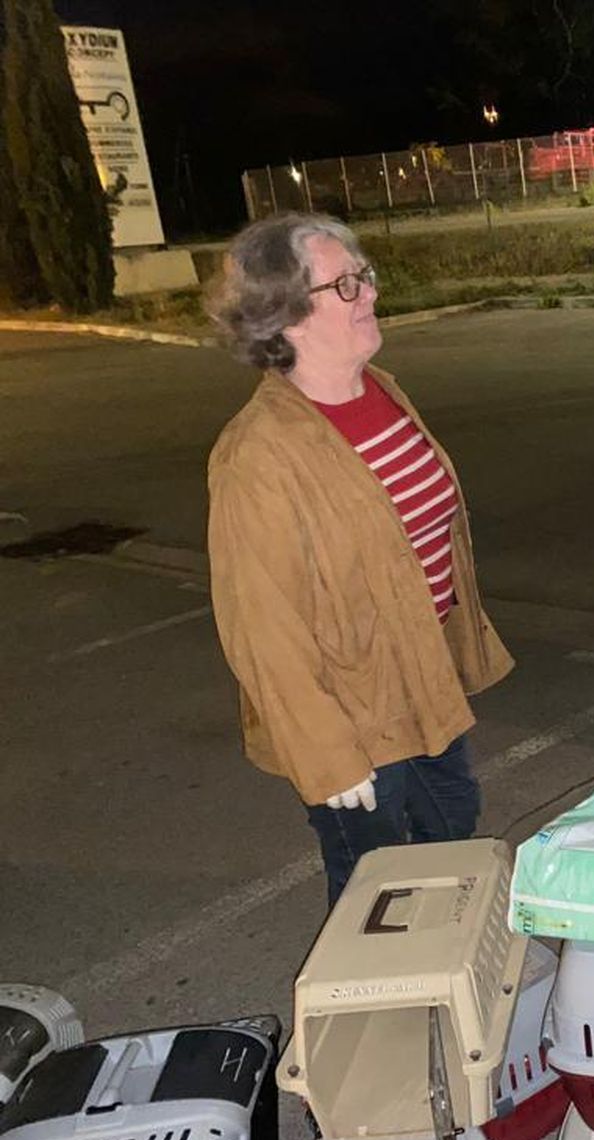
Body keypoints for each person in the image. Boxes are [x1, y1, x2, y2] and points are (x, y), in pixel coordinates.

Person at [205, 213, 513, 906]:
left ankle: (444, 958)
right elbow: (261, 625)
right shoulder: (257, 453)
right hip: (348, 710)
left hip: (423, 679)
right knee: (373, 889)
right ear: (285, 314)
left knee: (453, 832)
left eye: (364, 276)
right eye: (345, 285)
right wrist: (326, 754)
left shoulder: (382, 391)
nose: (369, 292)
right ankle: (381, 975)